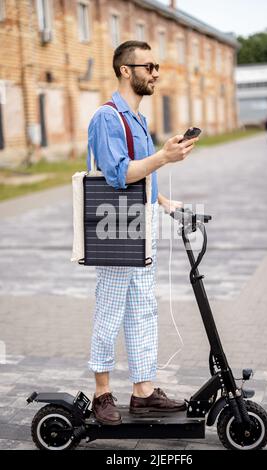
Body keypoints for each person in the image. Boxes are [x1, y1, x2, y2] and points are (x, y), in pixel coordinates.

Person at [87, 40, 199, 425]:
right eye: (148, 66)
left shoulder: (138, 120)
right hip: (116, 227)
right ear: (125, 70)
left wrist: (166, 203)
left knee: (142, 311)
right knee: (110, 311)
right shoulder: (107, 117)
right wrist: (164, 156)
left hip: (142, 225)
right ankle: (101, 393)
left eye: (157, 66)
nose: (155, 72)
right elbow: (119, 175)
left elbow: (142, 175)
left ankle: (143, 392)